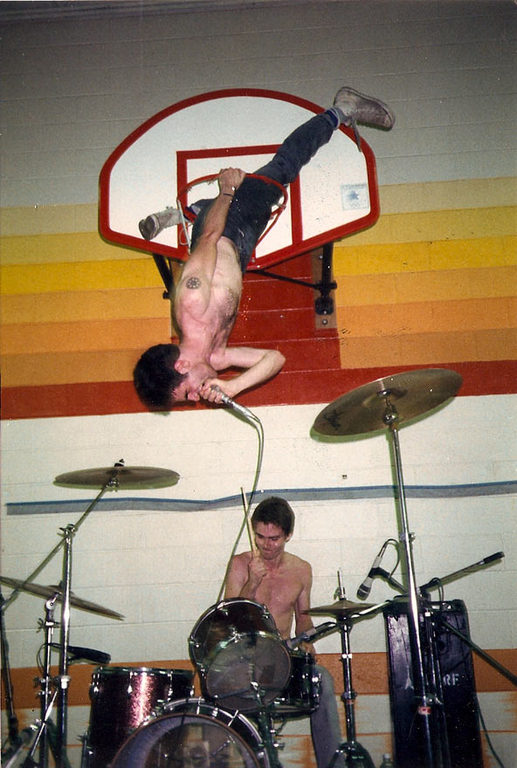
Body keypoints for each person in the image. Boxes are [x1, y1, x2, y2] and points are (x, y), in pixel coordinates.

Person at [133, 87, 394, 411]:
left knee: (284, 167)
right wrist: (235, 385)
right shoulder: (216, 355)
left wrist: (227, 190)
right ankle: (189, 212)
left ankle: (342, 109)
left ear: (181, 367)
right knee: (214, 224)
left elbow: (210, 238)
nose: (196, 398)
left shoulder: (191, 302)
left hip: (231, 221)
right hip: (240, 246)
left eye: (187, 394)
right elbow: (275, 359)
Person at [224, 496, 345, 768]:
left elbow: (303, 619)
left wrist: (308, 641)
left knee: (321, 680)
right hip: (246, 659)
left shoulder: (302, 570)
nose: (266, 545)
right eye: (260, 537)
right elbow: (230, 617)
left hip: (284, 657)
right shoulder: (240, 565)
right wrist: (252, 583)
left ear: (288, 535)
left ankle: (334, 764)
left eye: (274, 538)